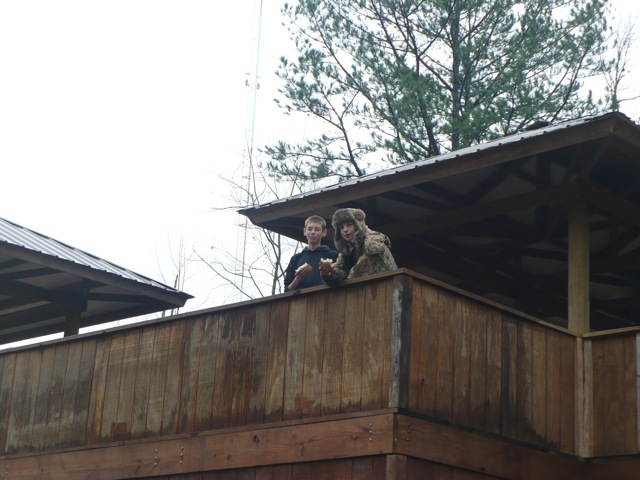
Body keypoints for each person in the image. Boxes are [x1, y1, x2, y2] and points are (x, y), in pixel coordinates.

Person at [320, 207, 397, 286]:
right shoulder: (347, 250)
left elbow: (360, 271)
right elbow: (342, 271)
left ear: (358, 225)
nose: (345, 230)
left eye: (349, 225)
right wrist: (328, 274)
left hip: (388, 287)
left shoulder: (373, 241)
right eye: (341, 227)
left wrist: (347, 287)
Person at [283, 215, 339, 291]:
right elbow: (287, 290)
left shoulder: (333, 255)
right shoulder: (296, 258)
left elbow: (341, 280)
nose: (312, 232)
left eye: (317, 229)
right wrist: (297, 279)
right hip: (302, 298)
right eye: (309, 229)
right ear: (304, 231)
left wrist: (328, 274)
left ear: (324, 232)